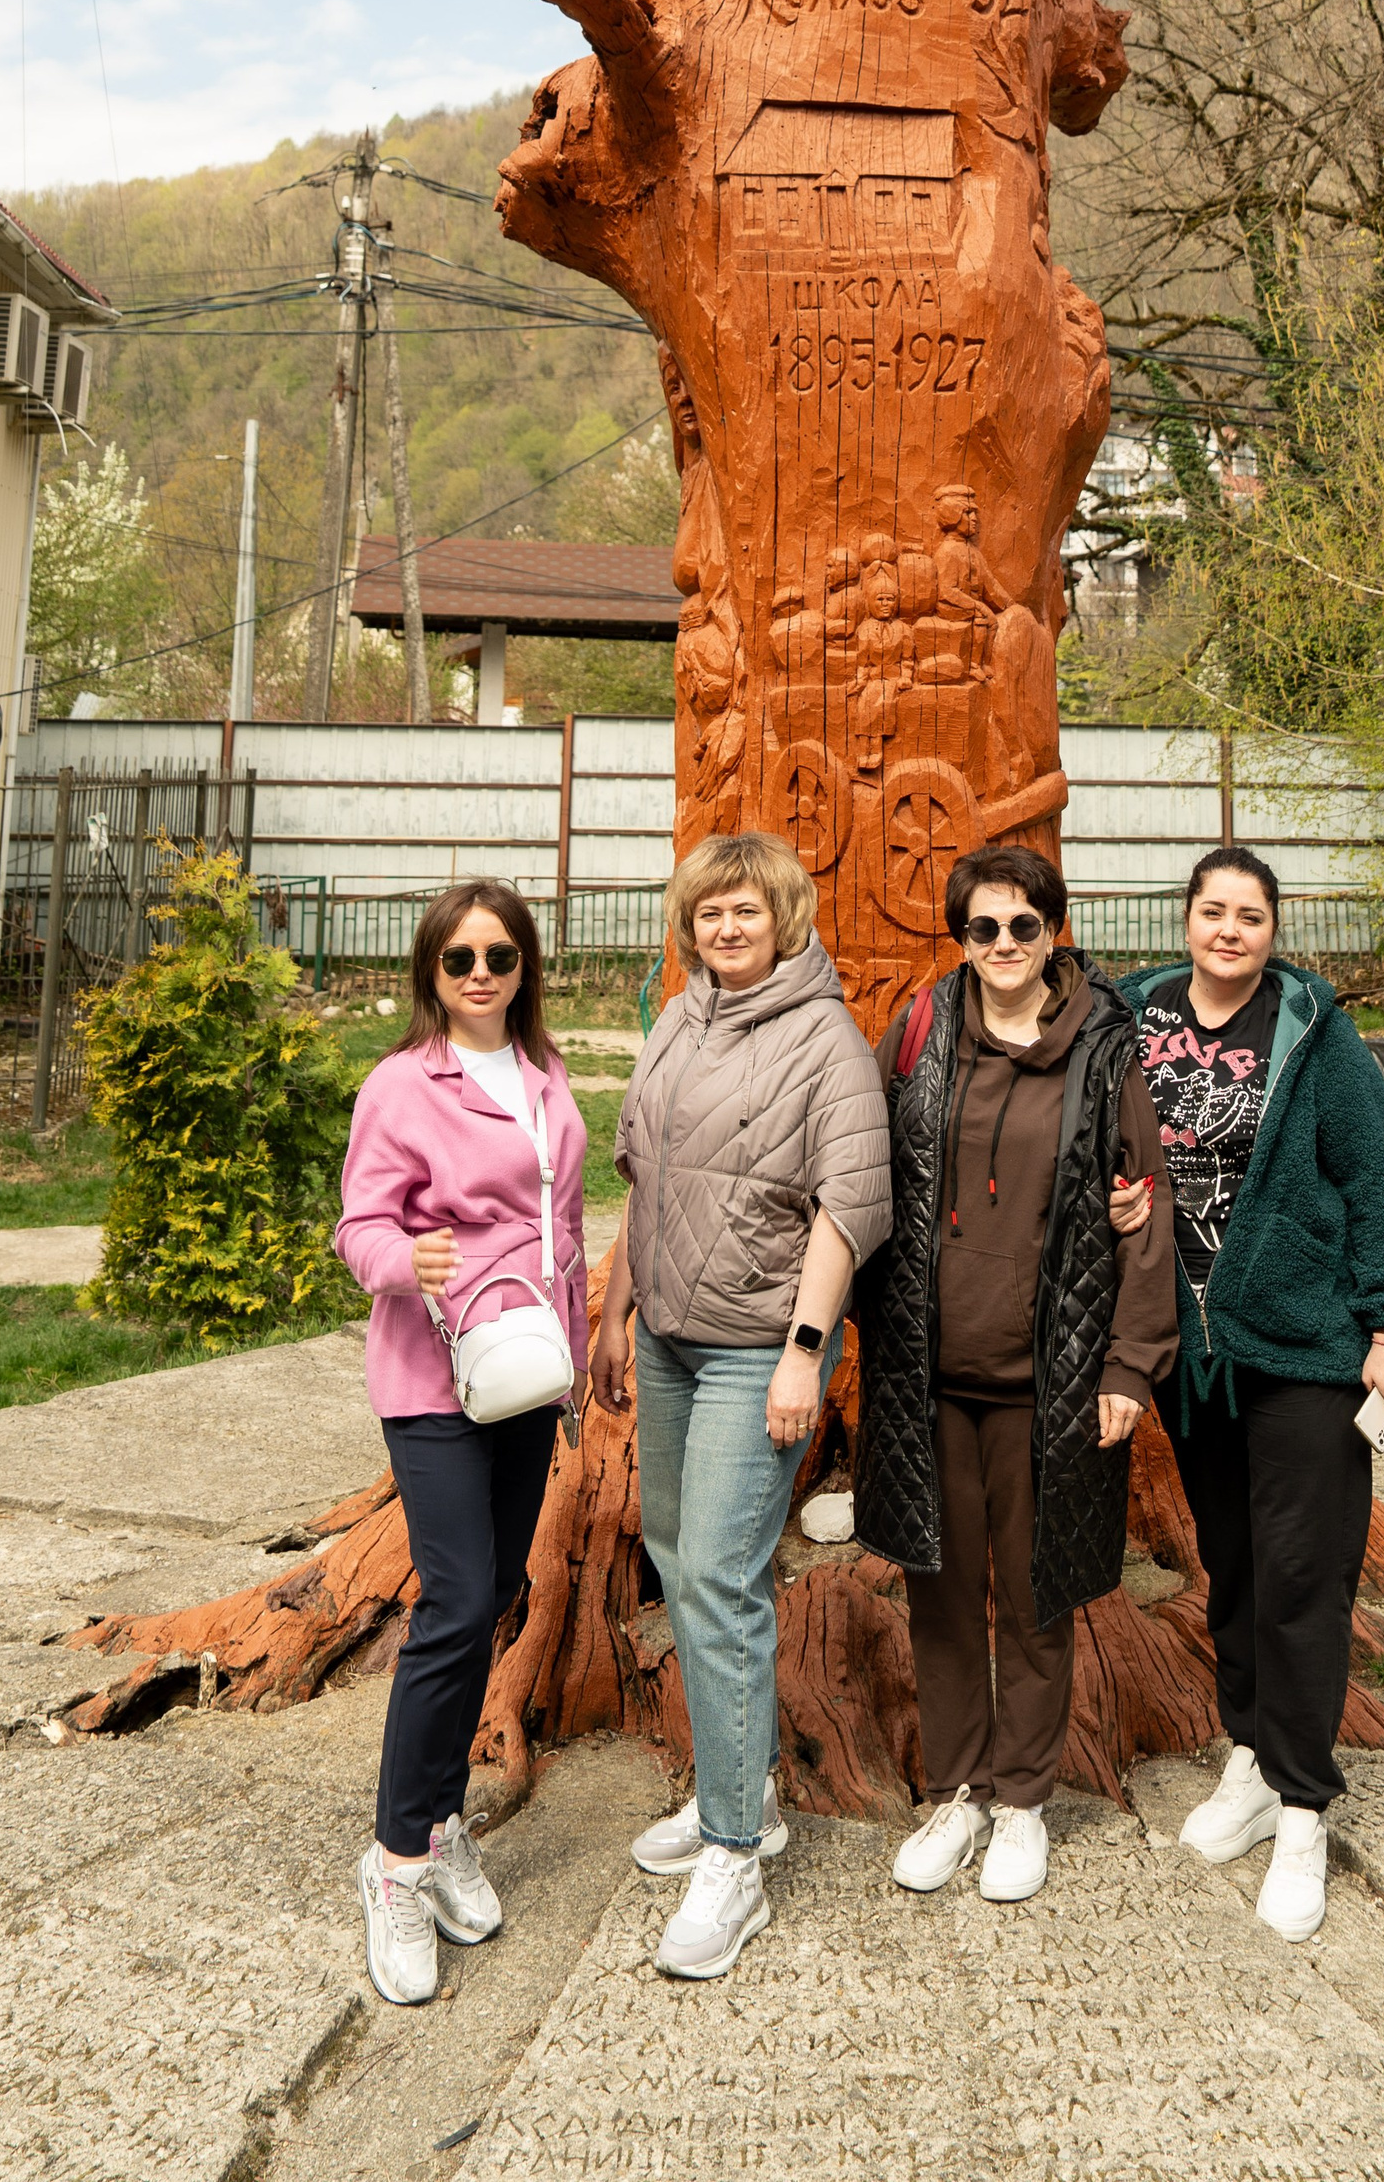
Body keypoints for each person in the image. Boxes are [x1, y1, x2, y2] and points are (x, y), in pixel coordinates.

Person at [1113, 847, 1384, 1945]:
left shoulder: (1316, 1034)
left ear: (1271, 928)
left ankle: (1303, 1807)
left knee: (1303, 1573)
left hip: (1302, 1343)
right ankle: (1250, 1755)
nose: (1229, 929)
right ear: (1187, 917)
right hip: (1190, 1351)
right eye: (1212, 909)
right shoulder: (1134, 1013)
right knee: (1235, 1565)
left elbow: (1368, 1178)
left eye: (1250, 915)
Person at [591, 831, 890, 1981]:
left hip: (755, 1348)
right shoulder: (678, 1019)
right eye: (709, 912)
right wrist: (615, 1313)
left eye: (746, 911)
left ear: (784, 917)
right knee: (683, 1558)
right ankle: (745, 1793)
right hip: (663, 1339)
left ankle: (733, 1862)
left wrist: (802, 1355)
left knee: (715, 1574)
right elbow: (645, 1179)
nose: (726, 928)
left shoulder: (825, 1039)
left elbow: (849, 1206)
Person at [855, 844, 1176, 1903]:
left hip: (1055, 1371)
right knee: (939, 1588)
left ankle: (1026, 1797)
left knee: (1037, 1593)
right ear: (963, 937)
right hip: (928, 1369)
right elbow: (864, 1172)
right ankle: (959, 1789)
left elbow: (1143, 1210)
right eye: (983, 927)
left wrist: (1130, 1360)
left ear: (1054, 930)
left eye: (1022, 925)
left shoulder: (1103, 1049)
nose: (1002, 945)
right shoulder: (920, 1032)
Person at [335, 881, 590, 2008]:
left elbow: (565, 1231)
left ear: (524, 964)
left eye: (499, 954)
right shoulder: (401, 1083)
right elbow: (360, 1223)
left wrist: (576, 1359)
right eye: (458, 958)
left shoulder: (545, 1080)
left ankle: (441, 1827)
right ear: (430, 973)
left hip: (528, 1373)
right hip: (435, 1376)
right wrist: (407, 1262)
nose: (480, 972)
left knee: (491, 1596)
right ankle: (393, 1862)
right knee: (450, 1598)